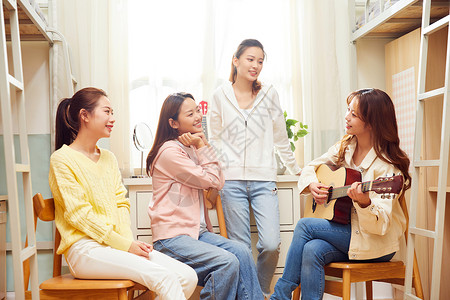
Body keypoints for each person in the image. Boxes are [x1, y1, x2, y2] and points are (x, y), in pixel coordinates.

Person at [49, 87, 197, 300]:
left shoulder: (108, 158)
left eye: (113, 113)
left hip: (115, 245)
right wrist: (125, 245)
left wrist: (127, 244)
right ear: (85, 116)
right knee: (165, 278)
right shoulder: (61, 160)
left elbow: (121, 203)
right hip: (84, 249)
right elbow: (79, 216)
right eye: (107, 112)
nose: (113, 118)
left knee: (187, 276)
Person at [270, 88, 411, 300]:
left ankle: (280, 295)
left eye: (354, 114)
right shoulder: (345, 147)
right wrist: (313, 184)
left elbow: (381, 226)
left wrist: (364, 204)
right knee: (312, 249)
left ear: (371, 123)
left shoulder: (388, 169)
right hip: (346, 234)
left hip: (375, 242)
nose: (347, 117)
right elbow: (311, 167)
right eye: (348, 111)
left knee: (304, 225)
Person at [146, 92, 264, 300]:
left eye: (197, 110)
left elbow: (218, 181)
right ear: (173, 123)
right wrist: (203, 146)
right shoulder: (170, 153)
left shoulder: (190, 148)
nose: (198, 116)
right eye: (190, 113)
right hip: (172, 238)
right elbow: (210, 180)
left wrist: (202, 146)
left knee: (242, 253)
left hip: (196, 233)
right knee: (226, 262)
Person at [207, 38, 302, 296]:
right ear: (235, 61)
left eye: (260, 61)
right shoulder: (219, 95)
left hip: (263, 180)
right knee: (239, 247)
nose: (256, 65)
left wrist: (296, 170)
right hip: (231, 181)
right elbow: (214, 140)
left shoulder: (269, 94)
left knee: (271, 243)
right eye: (250, 59)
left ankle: (258, 292)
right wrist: (216, 172)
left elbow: (281, 136)